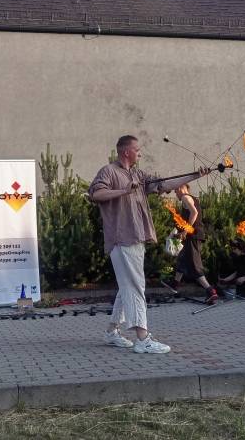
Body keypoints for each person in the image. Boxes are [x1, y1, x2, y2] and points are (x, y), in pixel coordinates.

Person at [89, 135, 208, 354]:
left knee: (127, 286)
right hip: (122, 237)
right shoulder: (109, 171)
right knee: (135, 285)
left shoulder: (138, 174)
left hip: (136, 237)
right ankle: (143, 339)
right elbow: (96, 193)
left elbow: (163, 184)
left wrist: (194, 175)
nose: (140, 153)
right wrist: (124, 190)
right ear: (126, 152)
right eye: (137, 150)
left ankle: (111, 332)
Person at [170, 183, 219, 304]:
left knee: (194, 264)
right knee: (182, 259)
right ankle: (174, 286)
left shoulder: (185, 197)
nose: (175, 194)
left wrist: (185, 231)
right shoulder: (193, 198)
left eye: (176, 191)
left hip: (193, 236)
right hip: (193, 235)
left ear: (181, 188)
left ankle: (211, 291)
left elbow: (194, 213)